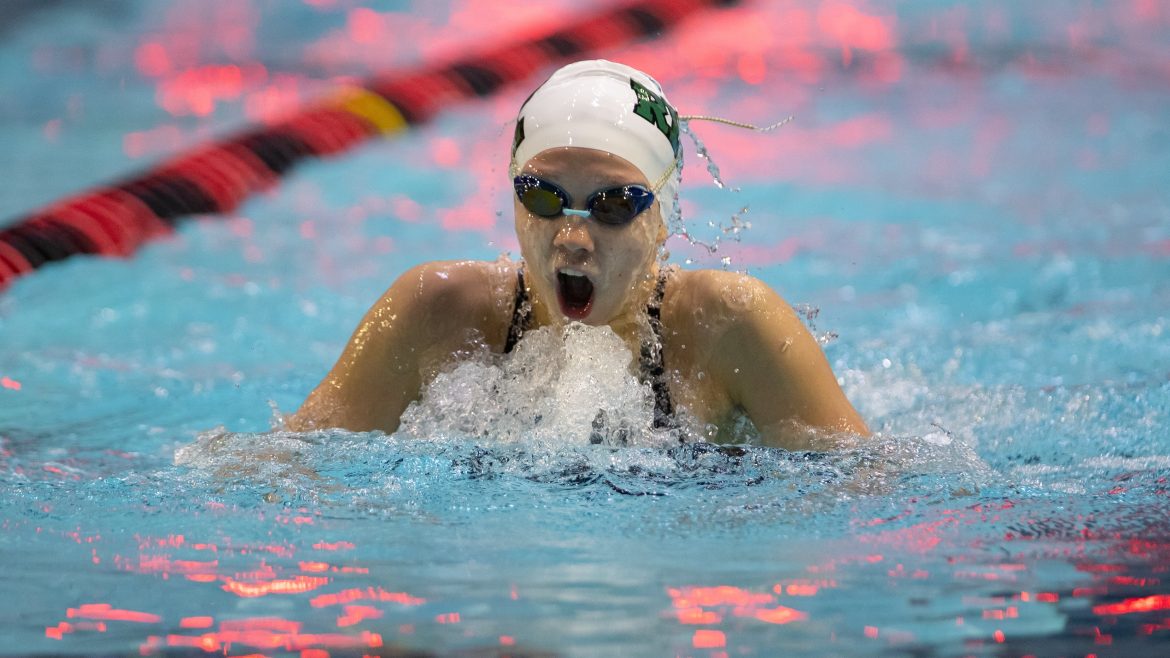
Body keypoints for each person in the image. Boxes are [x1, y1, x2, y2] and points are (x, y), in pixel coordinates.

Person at [287, 60, 868, 448]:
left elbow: (865, 486)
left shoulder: (728, 326)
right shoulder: (436, 311)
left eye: (613, 205)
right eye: (543, 197)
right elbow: (296, 464)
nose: (571, 237)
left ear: (662, 219)